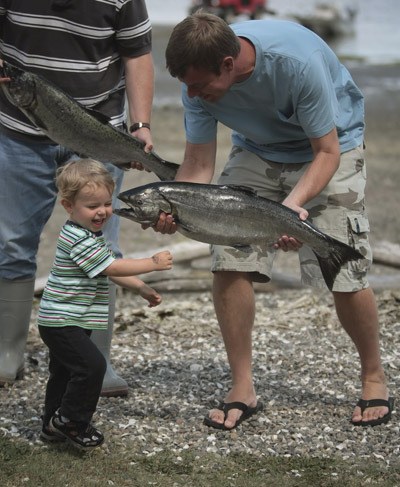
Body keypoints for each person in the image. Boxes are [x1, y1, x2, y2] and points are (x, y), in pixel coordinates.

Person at [150, 11, 393, 429]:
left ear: (228, 65)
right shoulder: (198, 88)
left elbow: (328, 153)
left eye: (198, 84)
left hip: (330, 145)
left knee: (343, 268)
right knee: (229, 258)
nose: (191, 94)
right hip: (258, 149)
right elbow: (197, 164)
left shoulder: (296, 65)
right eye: (185, 85)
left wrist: (289, 212)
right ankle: (242, 386)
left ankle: (374, 375)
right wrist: (176, 208)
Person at [0, 0, 154, 397]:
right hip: (18, 131)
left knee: (104, 250)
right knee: (11, 245)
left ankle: (96, 363)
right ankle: (6, 355)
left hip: (97, 134)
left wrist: (140, 126)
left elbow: (137, 54)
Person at [38, 159, 173, 450]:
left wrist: (141, 288)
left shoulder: (89, 235)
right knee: (92, 367)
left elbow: (106, 269)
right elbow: (112, 267)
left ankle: (52, 424)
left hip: (69, 319)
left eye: (106, 203)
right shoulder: (78, 239)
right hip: (63, 322)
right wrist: (151, 263)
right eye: (92, 206)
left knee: (63, 372)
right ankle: (72, 420)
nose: (102, 211)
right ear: (68, 206)